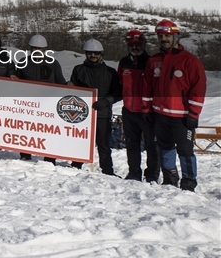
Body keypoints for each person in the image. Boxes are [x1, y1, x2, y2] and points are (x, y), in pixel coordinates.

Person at [149, 19, 205, 191]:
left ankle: (188, 182)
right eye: (161, 36)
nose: (164, 39)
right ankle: (169, 178)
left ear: (176, 36)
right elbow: (149, 86)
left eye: (167, 35)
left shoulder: (190, 61)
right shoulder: (154, 60)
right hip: (160, 115)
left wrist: (193, 114)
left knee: (185, 151)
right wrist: (151, 109)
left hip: (182, 117)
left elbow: (199, 87)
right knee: (165, 147)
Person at [69, 39, 121, 175]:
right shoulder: (79, 70)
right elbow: (72, 92)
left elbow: (118, 93)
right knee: (80, 142)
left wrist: (106, 101)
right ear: (86, 54)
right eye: (90, 53)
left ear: (101, 54)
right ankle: (76, 166)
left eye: (96, 53)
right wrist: (70, 86)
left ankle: (108, 171)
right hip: (82, 114)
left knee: (103, 144)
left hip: (102, 114)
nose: (93, 55)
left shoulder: (110, 72)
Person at [15, 34, 63, 164]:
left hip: (48, 104)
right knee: (26, 128)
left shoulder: (53, 63)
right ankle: (25, 154)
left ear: (45, 49)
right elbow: (16, 83)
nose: (37, 51)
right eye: (34, 48)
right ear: (30, 48)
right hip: (28, 104)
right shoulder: (23, 62)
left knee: (49, 131)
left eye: (40, 49)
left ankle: (50, 157)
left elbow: (61, 83)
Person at [118, 29, 158, 182]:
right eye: (132, 44)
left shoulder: (150, 61)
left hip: (147, 112)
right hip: (129, 111)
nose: (135, 47)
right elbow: (120, 83)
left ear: (144, 44)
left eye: (138, 44)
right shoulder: (124, 62)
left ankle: (152, 174)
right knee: (132, 144)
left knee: (151, 145)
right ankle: (134, 172)